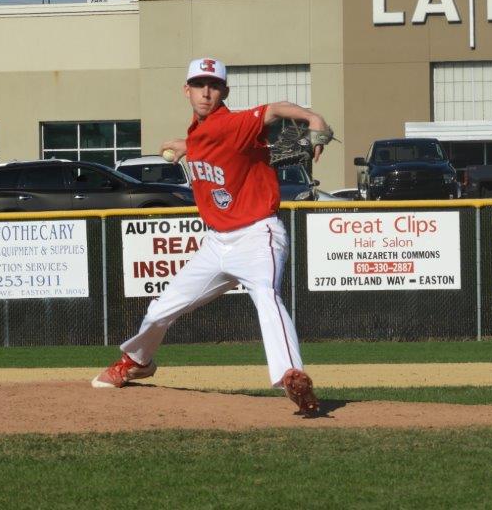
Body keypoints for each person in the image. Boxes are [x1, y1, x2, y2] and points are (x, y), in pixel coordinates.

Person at [92, 57, 329, 416]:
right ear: (186, 90)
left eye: (214, 85)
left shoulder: (236, 123)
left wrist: (313, 119)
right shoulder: (197, 134)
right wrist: (184, 145)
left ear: (224, 92)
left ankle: (291, 376)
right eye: (199, 84)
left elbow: (276, 110)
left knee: (266, 295)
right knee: (160, 310)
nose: (206, 91)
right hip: (216, 243)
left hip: (256, 235)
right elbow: (202, 142)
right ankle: (138, 361)